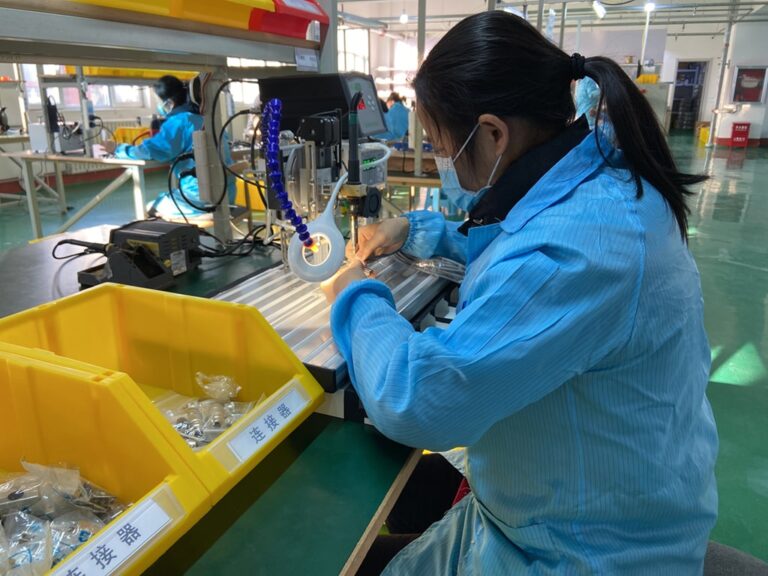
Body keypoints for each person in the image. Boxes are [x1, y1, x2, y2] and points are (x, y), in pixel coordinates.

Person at [322, 10, 718, 576]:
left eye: (438, 145)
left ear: (492, 133)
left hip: (584, 552)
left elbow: (419, 399)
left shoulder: (578, 253)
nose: (440, 161)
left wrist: (354, 296)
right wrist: (416, 229)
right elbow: (520, 232)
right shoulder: (597, 174)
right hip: (556, 508)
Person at [103, 75, 219, 219]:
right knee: (167, 198)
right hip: (225, 194)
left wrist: (117, 149)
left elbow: (149, 151)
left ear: (169, 103)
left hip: (199, 198)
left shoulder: (179, 122)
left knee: (149, 209)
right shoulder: (206, 119)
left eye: (158, 102)